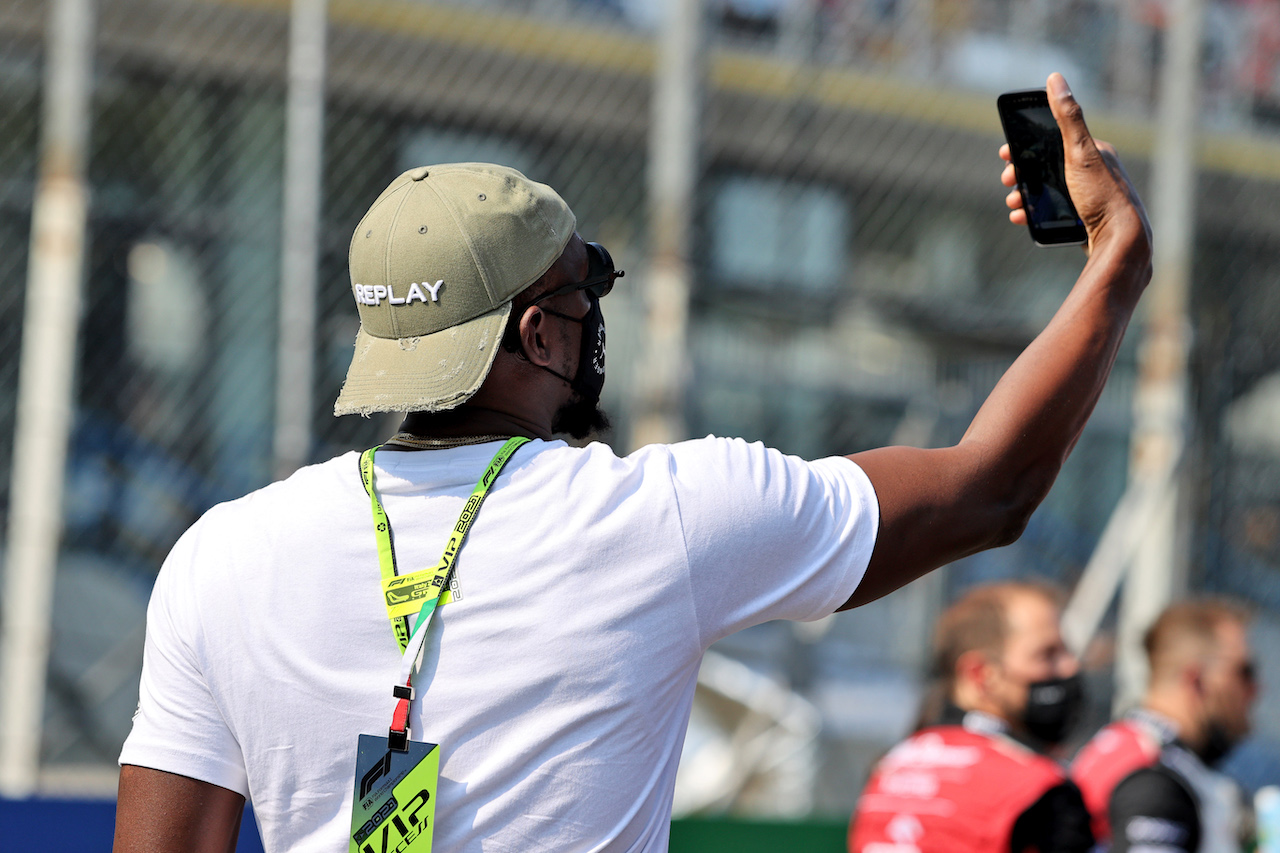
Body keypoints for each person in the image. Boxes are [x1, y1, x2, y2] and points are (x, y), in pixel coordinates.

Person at [113, 72, 1153, 853]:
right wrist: (1112, 262)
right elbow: (989, 487)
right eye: (585, 287)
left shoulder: (219, 555)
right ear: (537, 334)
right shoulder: (658, 516)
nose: (593, 319)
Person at [848, 581, 1095, 853]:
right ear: (981, 674)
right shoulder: (1038, 788)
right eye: (1047, 655)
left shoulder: (888, 767)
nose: (1070, 667)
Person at [1071, 600, 1258, 853]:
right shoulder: (1153, 771)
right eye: (1244, 671)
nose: (1256, 690)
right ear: (1197, 680)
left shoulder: (1132, 745)